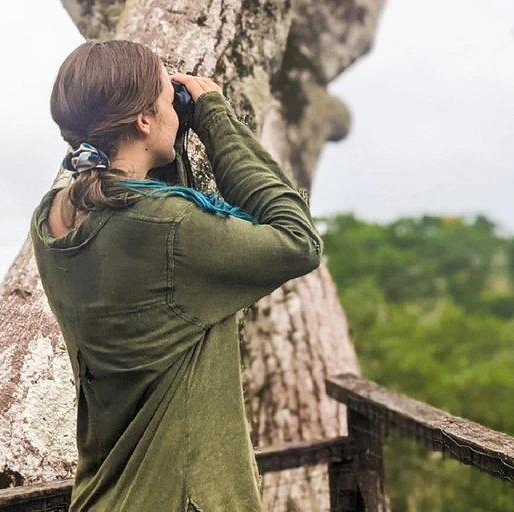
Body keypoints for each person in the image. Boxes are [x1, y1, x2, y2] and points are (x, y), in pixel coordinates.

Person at [29, 40, 323, 512]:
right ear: (144, 120)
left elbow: (145, 226)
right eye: (168, 100)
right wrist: (214, 117)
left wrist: (167, 139)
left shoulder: (52, 218)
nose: (175, 109)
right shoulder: (165, 228)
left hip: (101, 497)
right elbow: (298, 241)